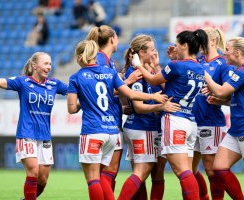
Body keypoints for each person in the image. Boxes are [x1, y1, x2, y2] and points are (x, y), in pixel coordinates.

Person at [67, 39, 167, 200]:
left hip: (92, 130)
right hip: (112, 132)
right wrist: (153, 97)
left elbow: (72, 109)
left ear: (79, 57)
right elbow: (131, 95)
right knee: (111, 175)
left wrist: (83, 101)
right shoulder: (111, 73)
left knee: (94, 179)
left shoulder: (76, 77)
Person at [134, 29, 209, 200]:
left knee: (182, 172)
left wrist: (139, 65)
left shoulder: (176, 66)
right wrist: (171, 61)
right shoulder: (199, 67)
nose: (174, 48)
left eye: (177, 45)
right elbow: (175, 80)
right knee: (188, 171)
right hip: (190, 122)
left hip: (175, 119)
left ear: (184, 45)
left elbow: (153, 80)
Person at [0, 52, 68, 200]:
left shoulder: (54, 84)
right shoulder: (23, 82)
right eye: (45, 63)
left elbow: (74, 92)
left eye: (50, 64)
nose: (49, 67)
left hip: (45, 136)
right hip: (26, 134)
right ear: (34, 66)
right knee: (33, 172)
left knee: (43, 179)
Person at [202, 37, 244, 200]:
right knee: (219, 167)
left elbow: (220, 90)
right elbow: (240, 99)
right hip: (237, 129)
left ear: (237, 52)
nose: (224, 53)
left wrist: (205, 76)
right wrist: (221, 101)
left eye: (227, 49)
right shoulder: (243, 70)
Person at [118, 35, 180, 200]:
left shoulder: (151, 71)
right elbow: (138, 107)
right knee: (141, 172)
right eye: (152, 49)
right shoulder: (137, 73)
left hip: (152, 129)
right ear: (141, 52)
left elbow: (168, 88)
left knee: (156, 174)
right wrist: (160, 106)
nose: (155, 52)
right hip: (141, 128)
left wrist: (157, 65)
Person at [86, 25, 143, 193]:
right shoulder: (100, 60)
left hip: (112, 119)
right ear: (112, 39)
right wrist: (129, 81)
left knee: (109, 173)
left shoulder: (108, 61)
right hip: (104, 123)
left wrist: (123, 105)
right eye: (117, 37)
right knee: (107, 172)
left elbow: (110, 91)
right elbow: (99, 91)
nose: (118, 40)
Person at [192, 27, 233, 200]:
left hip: (211, 122)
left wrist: (217, 97)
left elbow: (231, 97)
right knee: (188, 170)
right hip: (191, 121)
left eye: (203, 41)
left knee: (210, 169)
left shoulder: (223, 64)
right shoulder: (197, 60)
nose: (199, 44)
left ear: (213, 41)